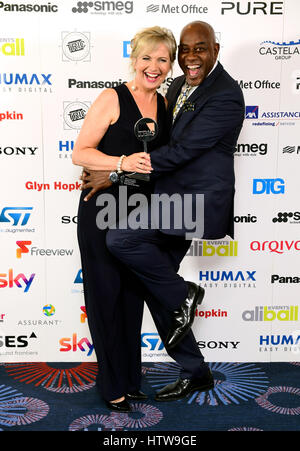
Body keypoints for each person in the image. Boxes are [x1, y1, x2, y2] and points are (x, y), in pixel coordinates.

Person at [84, 20, 245, 402]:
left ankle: (185, 293)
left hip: (192, 204)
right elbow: (160, 149)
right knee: (158, 291)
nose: (191, 57)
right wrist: (115, 176)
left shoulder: (224, 95)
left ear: (216, 50)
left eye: (200, 49)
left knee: (122, 239)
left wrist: (119, 171)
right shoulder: (176, 86)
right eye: (185, 50)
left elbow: (180, 153)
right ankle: (196, 370)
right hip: (164, 197)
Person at [72, 26, 177, 411]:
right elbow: (80, 152)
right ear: (134, 60)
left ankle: (130, 379)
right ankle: (111, 383)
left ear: (170, 65)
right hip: (102, 210)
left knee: (132, 298)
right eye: (147, 58)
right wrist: (119, 162)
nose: (154, 66)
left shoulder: (164, 104)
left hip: (141, 215)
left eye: (162, 59)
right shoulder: (112, 98)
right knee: (104, 296)